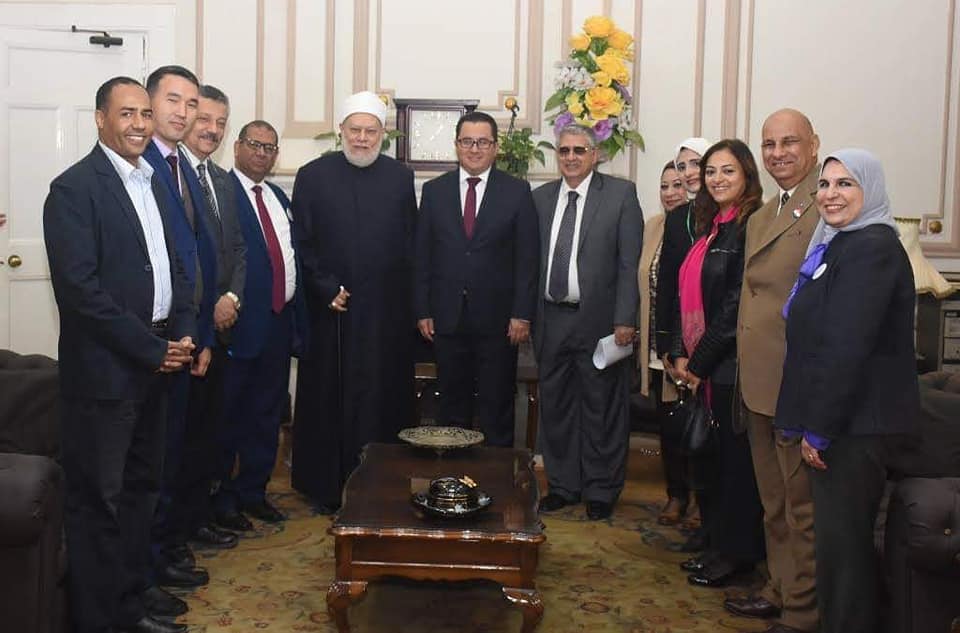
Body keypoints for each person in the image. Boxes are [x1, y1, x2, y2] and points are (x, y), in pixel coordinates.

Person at [44, 76, 195, 633]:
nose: (138, 124)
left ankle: (131, 607)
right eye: (126, 113)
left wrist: (182, 332)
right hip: (106, 376)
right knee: (99, 505)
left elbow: (176, 265)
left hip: (157, 365)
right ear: (100, 119)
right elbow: (80, 293)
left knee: (140, 495)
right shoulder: (73, 189)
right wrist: (151, 348)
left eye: (144, 114)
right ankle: (98, 620)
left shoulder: (152, 181)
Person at [776, 149, 919, 633]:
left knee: (845, 555)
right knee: (839, 551)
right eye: (825, 184)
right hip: (845, 422)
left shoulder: (872, 249)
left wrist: (819, 429)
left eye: (845, 184)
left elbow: (847, 347)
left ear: (870, 190)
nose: (831, 195)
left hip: (854, 427)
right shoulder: (839, 243)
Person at [291, 91, 417, 513]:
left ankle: (383, 484)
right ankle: (326, 488)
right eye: (355, 130)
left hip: (384, 315)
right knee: (329, 398)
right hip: (332, 312)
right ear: (341, 130)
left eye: (371, 131)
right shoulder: (312, 176)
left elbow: (410, 244)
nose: (362, 138)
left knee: (382, 398)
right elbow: (301, 243)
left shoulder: (400, 178)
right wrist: (324, 287)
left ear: (383, 134)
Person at [725, 109, 821, 633]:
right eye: (769, 144)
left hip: (797, 381)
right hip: (758, 379)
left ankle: (803, 611)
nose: (778, 153)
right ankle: (779, 588)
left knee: (801, 506)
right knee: (774, 501)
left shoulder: (826, 203)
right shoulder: (763, 214)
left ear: (813, 144)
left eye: (789, 142)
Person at [534, 124, 643, 521]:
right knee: (557, 407)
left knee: (602, 408)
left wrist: (625, 318)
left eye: (579, 150)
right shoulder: (540, 198)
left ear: (595, 155)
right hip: (551, 319)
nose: (571, 157)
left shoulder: (620, 195)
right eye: (564, 150)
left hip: (601, 323)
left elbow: (629, 263)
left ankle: (601, 488)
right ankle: (563, 486)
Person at [669, 139, 765, 587]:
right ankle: (716, 544)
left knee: (734, 467)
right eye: (711, 171)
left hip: (729, 366)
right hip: (705, 366)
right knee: (712, 462)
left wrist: (699, 362)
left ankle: (736, 555)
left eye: (728, 171)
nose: (717, 179)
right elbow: (684, 291)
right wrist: (680, 352)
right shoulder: (714, 227)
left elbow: (733, 306)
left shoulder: (749, 227)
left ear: (746, 175)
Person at [414, 110, 539, 447]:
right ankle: (453, 474)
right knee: (451, 407)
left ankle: (496, 476)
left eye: (483, 142)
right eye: (467, 141)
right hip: (446, 319)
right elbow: (422, 255)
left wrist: (522, 313)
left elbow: (528, 259)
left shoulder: (517, 192)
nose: (474, 149)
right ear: (456, 145)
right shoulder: (434, 191)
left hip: (499, 323)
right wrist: (423, 310)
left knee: (496, 407)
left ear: (495, 147)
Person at [162, 84, 247, 562]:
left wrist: (230, 297)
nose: (212, 129)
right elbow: (181, 259)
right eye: (204, 118)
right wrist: (207, 308)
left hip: (217, 332)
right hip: (186, 331)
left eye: (220, 122)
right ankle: (175, 532)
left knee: (206, 437)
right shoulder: (168, 177)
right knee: (179, 441)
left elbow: (236, 248)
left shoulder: (220, 179)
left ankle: (197, 519)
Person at [214, 120, 307, 528]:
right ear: (237, 147)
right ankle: (221, 499)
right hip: (237, 325)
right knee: (229, 416)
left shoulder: (277, 196)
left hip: (277, 324)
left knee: (267, 414)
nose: (262, 153)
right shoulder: (221, 192)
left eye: (270, 148)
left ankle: (254, 491)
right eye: (254, 144)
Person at [637, 161, 687, 526]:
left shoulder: (701, 226)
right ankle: (677, 494)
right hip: (656, 348)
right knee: (668, 426)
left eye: (678, 185)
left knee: (694, 425)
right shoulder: (653, 226)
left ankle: (701, 497)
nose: (670, 193)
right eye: (664, 185)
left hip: (688, 348)